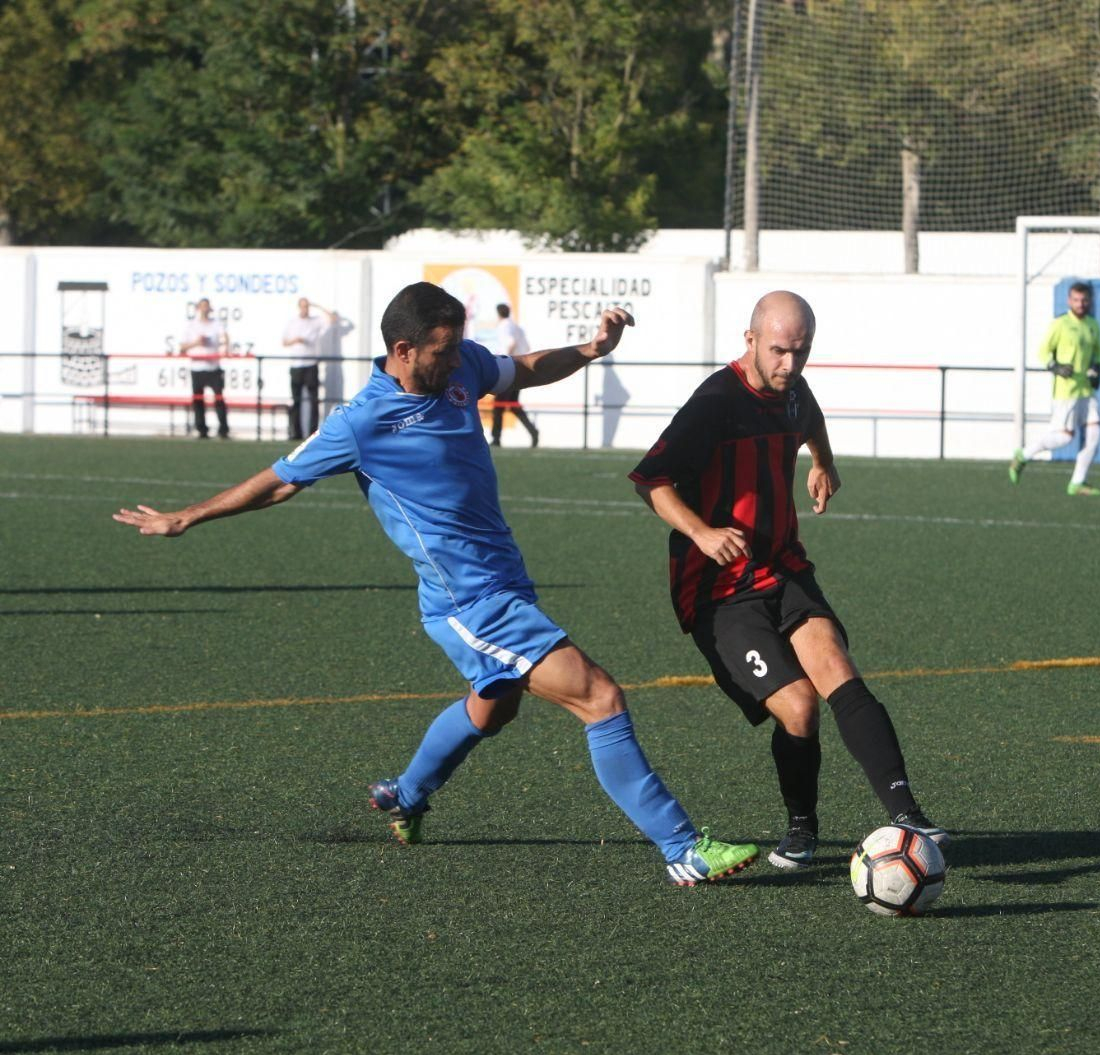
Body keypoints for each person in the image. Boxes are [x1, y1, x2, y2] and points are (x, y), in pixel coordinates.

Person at [115, 281, 757, 887]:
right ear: (403, 350)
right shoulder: (360, 422)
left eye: (457, 350)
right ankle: (683, 851)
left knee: (493, 706)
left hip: (503, 582)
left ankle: (404, 795)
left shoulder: (459, 372)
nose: (458, 364)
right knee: (601, 698)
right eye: (443, 352)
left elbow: (523, 369)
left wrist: (591, 350)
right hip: (469, 602)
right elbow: (281, 480)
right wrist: (188, 516)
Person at [629, 290, 946, 872]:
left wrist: (822, 460)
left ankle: (908, 815)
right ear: (749, 340)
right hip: (720, 590)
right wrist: (701, 532)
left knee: (840, 675)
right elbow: (651, 479)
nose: (790, 366)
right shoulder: (715, 402)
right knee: (799, 707)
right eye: (779, 351)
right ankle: (802, 829)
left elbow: (810, 415)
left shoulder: (794, 389)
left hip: (785, 565)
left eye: (802, 353)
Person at [1008, 281, 1100, 495]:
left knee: (1095, 435)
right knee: (1064, 438)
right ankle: (1023, 455)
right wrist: (1055, 366)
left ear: (1089, 301)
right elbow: (1043, 351)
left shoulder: (1092, 325)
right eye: (1076, 300)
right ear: (1069, 301)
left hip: (1087, 391)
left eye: (1084, 300)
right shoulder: (1060, 324)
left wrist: (1097, 367)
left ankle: (1077, 483)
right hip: (1066, 393)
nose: (1080, 304)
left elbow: (1099, 352)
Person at [282, 297, 337, 440]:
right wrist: (296, 340)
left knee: (313, 400)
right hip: (296, 365)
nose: (305, 309)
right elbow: (284, 341)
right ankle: (296, 432)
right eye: (303, 306)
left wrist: (317, 305)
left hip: (311, 364)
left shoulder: (316, 321)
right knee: (296, 400)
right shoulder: (292, 323)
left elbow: (332, 318)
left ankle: (313, 432)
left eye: (307, 306)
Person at [178, 298, 230, 440]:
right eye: (202, 306)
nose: (204, 309)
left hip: (213, 367)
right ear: (197, 308)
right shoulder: (191, 326)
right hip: (197, 367)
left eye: (207, 306)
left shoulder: (216, 324)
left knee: (219, 399)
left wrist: (226, 347)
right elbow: (182, 347)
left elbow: (225, 337)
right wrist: (196, 342)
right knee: (198, 400)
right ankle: (201, 429)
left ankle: (223, 429)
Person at [490, 303, 540, 447]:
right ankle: (533, 431)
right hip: (519, 368)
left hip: (508, 368)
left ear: (498, 314)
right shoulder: (516, 326)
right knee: (513, 405)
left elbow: (509, 343)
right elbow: (527, 347)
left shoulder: (504, 326)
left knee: (498, 405)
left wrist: (503, 360)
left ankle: (496, 438)